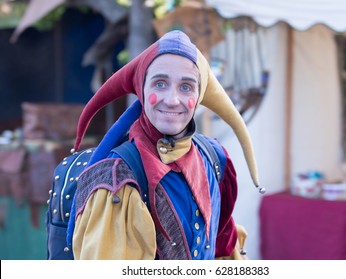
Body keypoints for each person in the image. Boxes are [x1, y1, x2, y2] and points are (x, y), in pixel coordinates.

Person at [69, 30, 262, 260]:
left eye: (186, 87)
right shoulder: (118, 181)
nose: (172, 100)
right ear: (142, 88)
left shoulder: (214, 157)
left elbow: (222, 246)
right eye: (160, 83)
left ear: (199, 95)